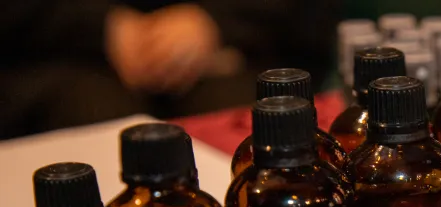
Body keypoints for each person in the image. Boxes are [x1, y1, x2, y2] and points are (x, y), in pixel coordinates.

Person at [0, 1, 338, 139]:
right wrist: (98, 26)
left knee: (245, 122)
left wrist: (216, 21)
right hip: (63, 57)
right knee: (94, 119)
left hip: (236, 50)